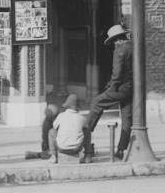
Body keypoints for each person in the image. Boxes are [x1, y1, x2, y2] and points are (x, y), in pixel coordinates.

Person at [84, 23, 133, 161]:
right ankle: (120, 150)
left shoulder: (120, 50)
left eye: (113, 42)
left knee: (97, 102)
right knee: (127, 119)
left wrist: (111, 88)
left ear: (117, 40)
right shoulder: (133, 47)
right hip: (131, 89)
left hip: (120, 89)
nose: (113, 45)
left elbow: (116, 74)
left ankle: (85, 140)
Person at [50, 93, 88, 162]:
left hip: (61, 148)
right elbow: (86, 127)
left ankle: (53, 156)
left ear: (67, 106)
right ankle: (88, 155)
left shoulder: (61, 115)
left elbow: (54, 126)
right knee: (87, 130)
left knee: (51, 131)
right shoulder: (82, 118)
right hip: (76, 148)